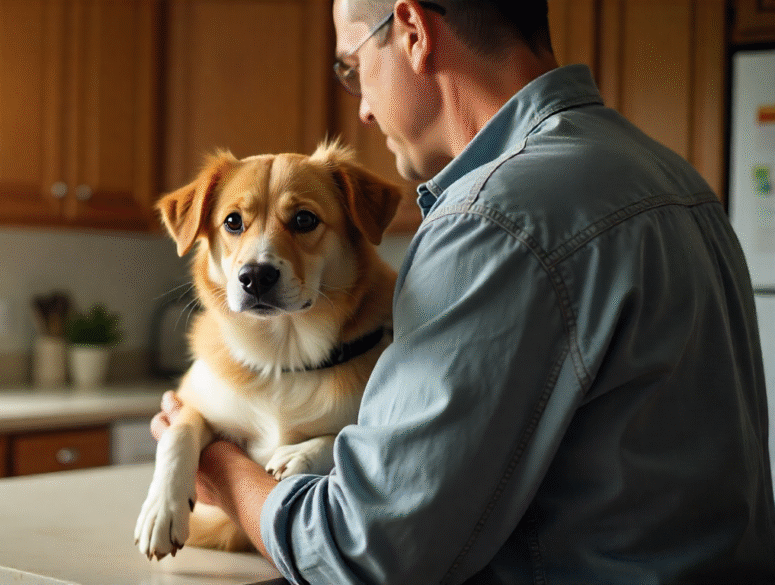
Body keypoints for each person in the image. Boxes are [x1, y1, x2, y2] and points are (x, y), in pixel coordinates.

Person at [150, 0, 775, 582]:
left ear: (414, 33)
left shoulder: (491, 220)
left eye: (353, 65)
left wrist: (224, 471)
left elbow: (365, 551)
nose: (362, 107)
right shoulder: (675, 179)